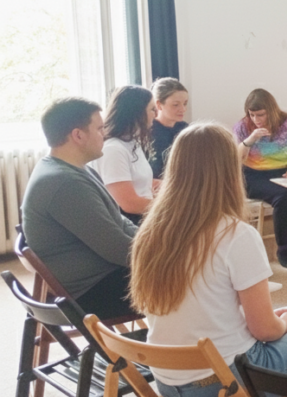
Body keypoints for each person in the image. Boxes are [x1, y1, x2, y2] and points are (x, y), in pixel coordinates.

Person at [129, 123, 287, 397]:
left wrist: (281, 322)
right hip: (224, 390)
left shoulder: (151, 231)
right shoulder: (235, 235)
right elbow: (264, 330)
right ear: (229, 171)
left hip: (169, 384)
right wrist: (279, 325)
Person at [20, 98, 138, 320]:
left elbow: (119, 221)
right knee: (192, 280)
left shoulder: (75, 169)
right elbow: (118, 250)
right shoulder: (64, 183)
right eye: (100, 129)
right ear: (78, 135)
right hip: (94, 292)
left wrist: (155, 241)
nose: (104, 134)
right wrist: (169, 255)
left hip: (103, 276)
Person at [234, 89, 287, 269]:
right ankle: (283, 249)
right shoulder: (243, 126)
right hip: (252, 176)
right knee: (284, 197)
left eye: (261, 115)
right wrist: (251, 139)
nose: (256, 119)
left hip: (283, 172)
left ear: (271, 111)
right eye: (252, 114)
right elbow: (237, 158)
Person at [91, 85, 157, 224]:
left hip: (145, 217)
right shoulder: (113, 149)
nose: (155, 114)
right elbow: (129, 203)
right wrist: (172, 207)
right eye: (152, 109)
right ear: (137, 112)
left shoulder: (131, 142)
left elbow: (140, 183)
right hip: (132, 222)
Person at [150, 77, 189, 179]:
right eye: (175, 105)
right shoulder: (148, 132)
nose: (183, 109)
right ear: (159, 105)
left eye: (185, 104)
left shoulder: (186, 129)